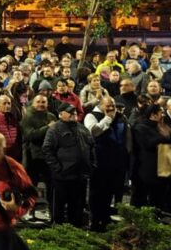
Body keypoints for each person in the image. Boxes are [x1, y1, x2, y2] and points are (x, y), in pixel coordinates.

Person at [42, 103, 96, 227]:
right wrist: (58, 168)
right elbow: (47, 150)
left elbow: (92, 146)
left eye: (74, 111)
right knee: (59, 209)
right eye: (69, 112)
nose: (73, 113)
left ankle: (75, 231)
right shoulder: (54, 129)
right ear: (60, 114)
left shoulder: (82, 128)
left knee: (77, 208)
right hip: (62, 177)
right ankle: (58, 231)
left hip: (80, 176)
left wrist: (92, 165)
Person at [84, 96, 132, 231]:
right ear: (100, 105)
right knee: (97, 192)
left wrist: (126, 154)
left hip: (117, 161)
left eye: (113, 106)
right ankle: (95, 220)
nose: (111, 108)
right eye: (108, 106)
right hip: (99, 161)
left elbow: (127, 137)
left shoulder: (121, 117)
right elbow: (94, 132)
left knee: (110, 191)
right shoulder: (91, 116)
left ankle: (105, 218)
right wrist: (108, 118)